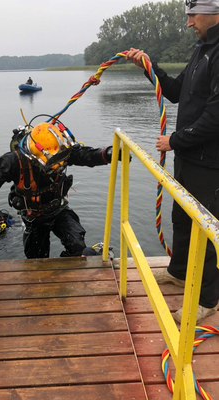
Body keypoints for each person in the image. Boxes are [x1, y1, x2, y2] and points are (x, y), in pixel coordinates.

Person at [126, 0, 219, 324]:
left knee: (205, 231)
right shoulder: (202, 49)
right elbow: (178, 92)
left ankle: (207, 300)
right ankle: (179, 272)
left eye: (193, 15)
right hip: (189, 157)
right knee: (181, 217)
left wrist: (175, 140)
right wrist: (150, 67)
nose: (189, 22)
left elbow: (216, 116)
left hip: (211, 164)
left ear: (213, 12)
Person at [0, 120, 122, 259]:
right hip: (34, 217)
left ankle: (67, 270)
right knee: (36, 260)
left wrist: (109, 154)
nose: (59, 166)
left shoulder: (60, 150)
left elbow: (85, 155)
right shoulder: (13, 160)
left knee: (77, 246)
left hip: (59, 209)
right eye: (53, 162)